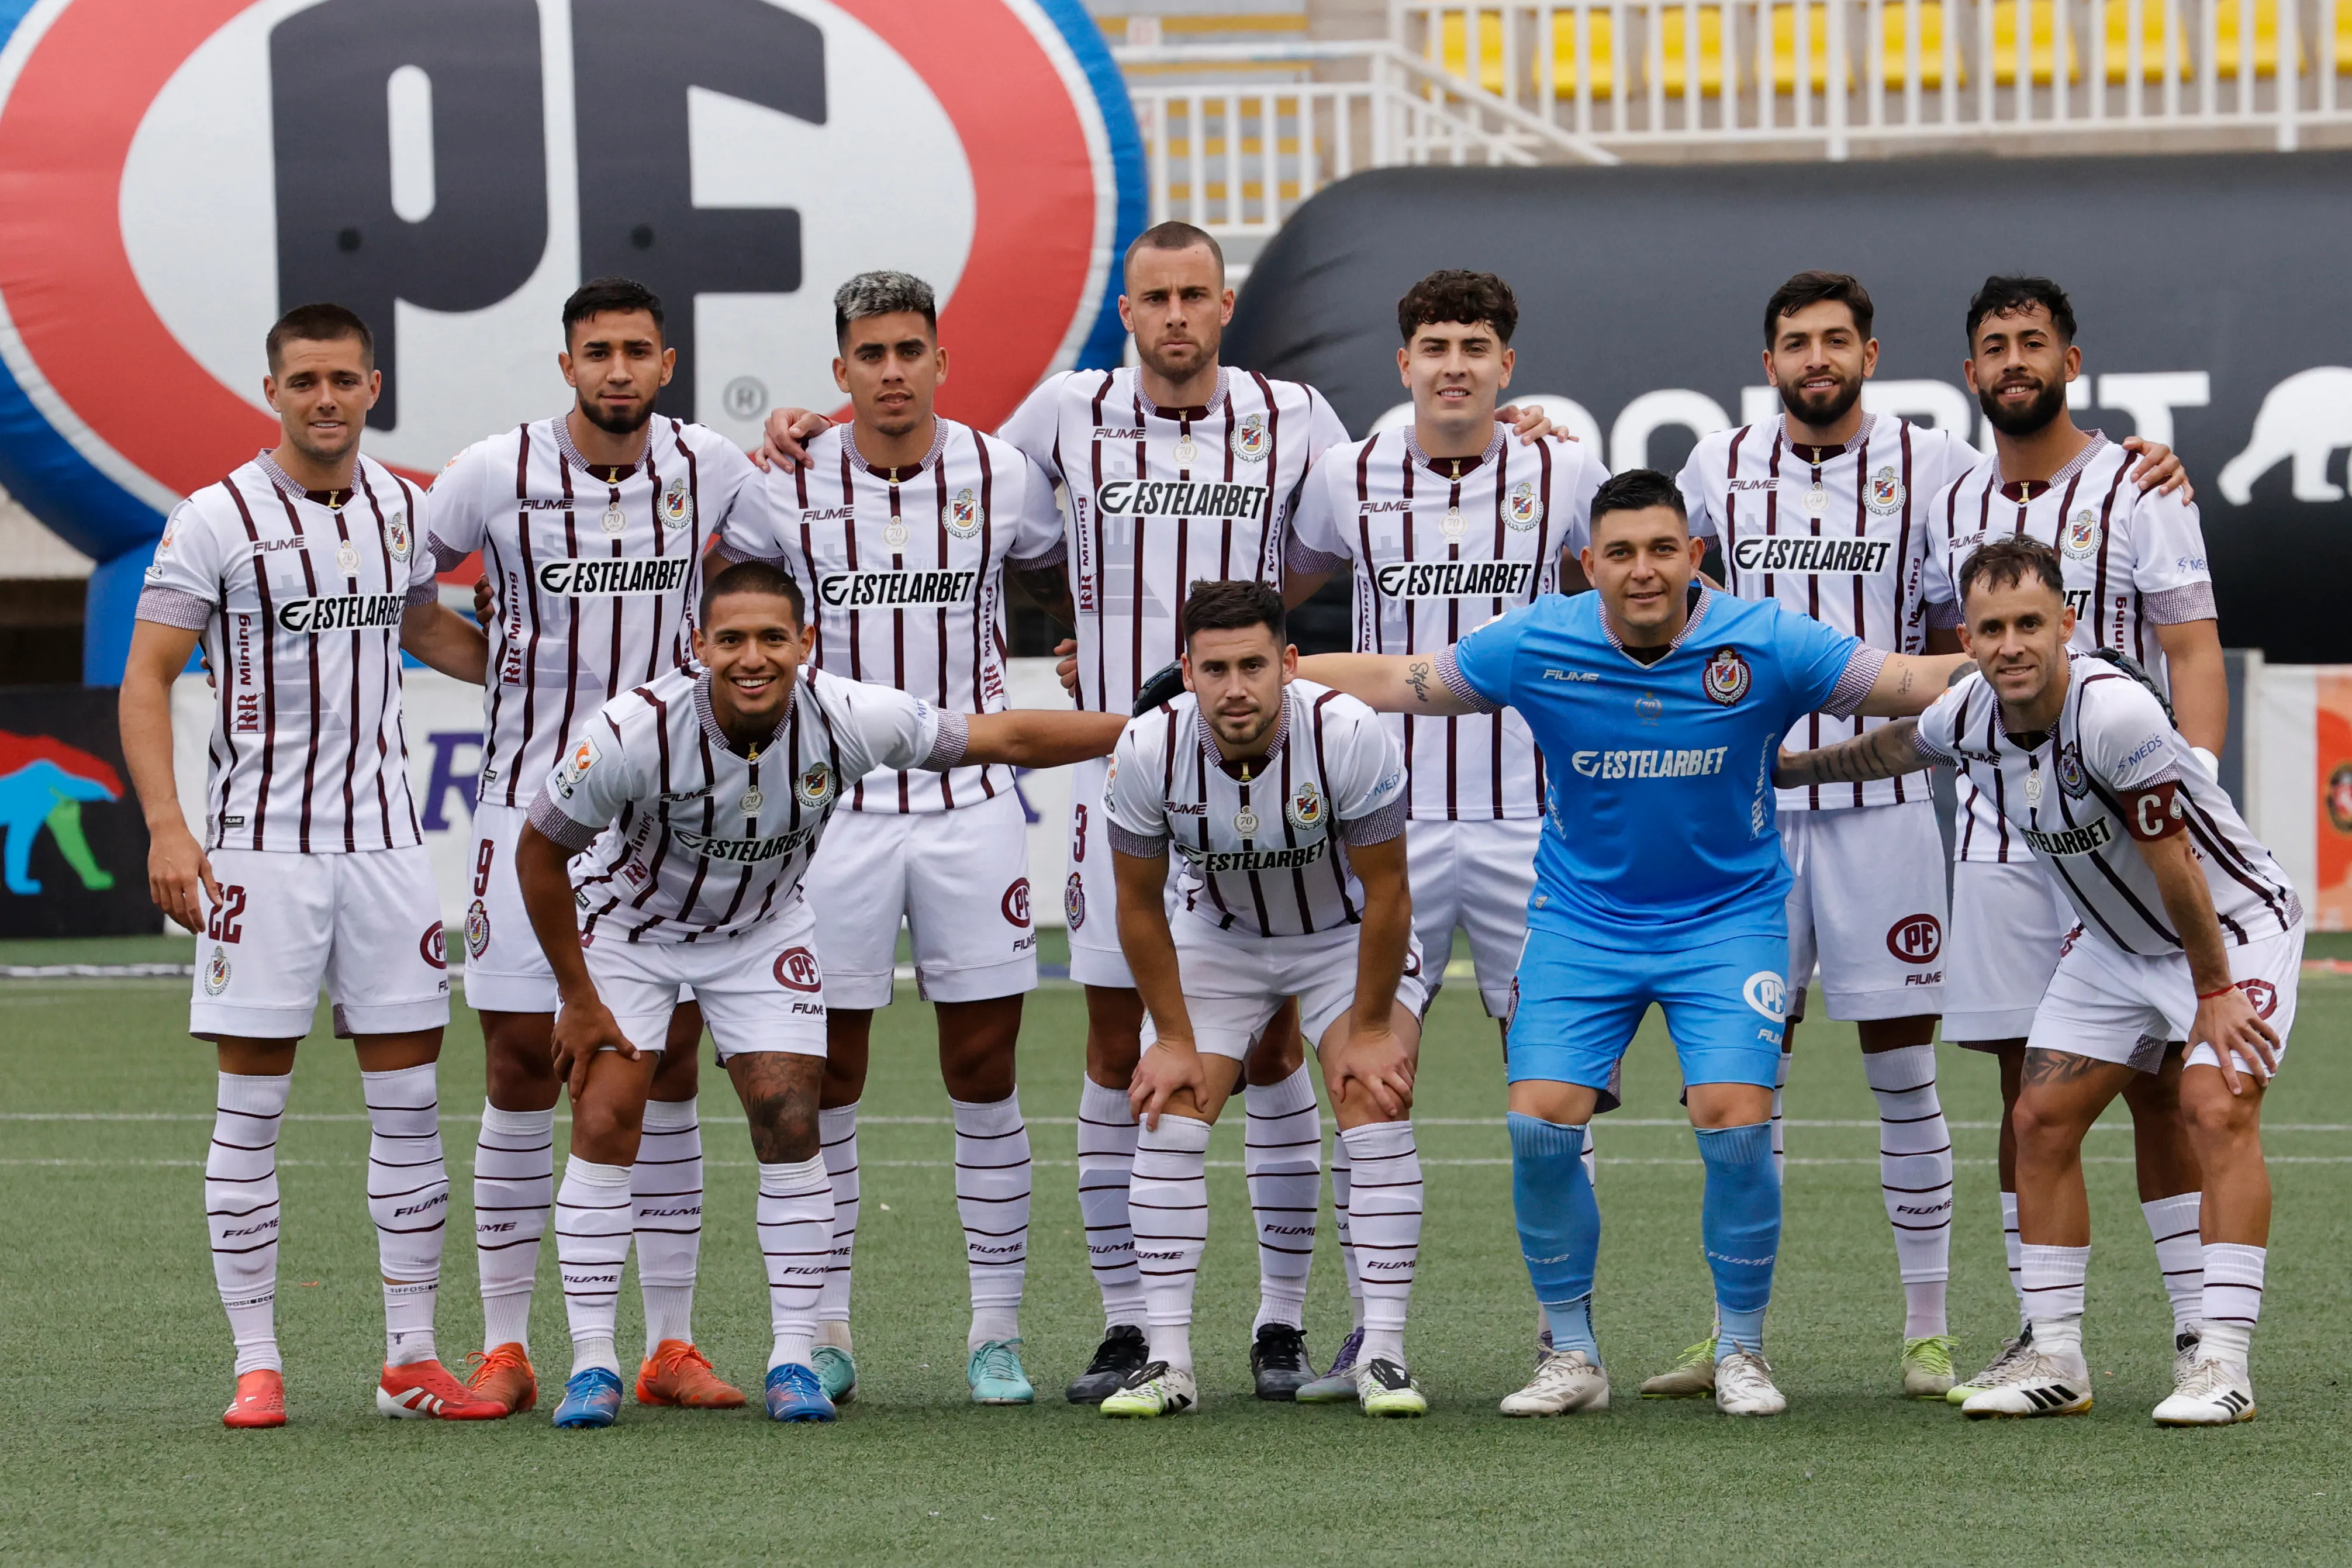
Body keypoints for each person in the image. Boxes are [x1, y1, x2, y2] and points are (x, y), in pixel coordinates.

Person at [759, 222, 1559, 1402]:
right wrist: (1092, 637)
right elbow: (1004, 533)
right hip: (1124, 780)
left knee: (1281, 1043)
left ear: (1223, 306)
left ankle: (1280, 1324)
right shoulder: (1058, 416)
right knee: (1115, 1045)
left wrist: (1520, 428)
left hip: (1267, 759)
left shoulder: (1295, 418)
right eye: (1154, 297)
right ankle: (1130, 1325)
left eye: (1194, 294)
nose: (1175, 314)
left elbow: (1332, 533)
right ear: (1125, 313)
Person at [1300, 469, 1967, 1418]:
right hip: (1583, 923)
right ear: (1589, 564)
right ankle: (1571, 1354)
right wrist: (1279, 670)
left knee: (1736, 1121)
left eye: (1662, 549)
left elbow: (1907, 678)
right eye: (1619, 553)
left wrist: (2036, 660)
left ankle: (1742, 1349)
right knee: (1538, 1124)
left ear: (1695, 556)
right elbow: (1398, 680)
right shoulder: (1538, 640)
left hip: (1727, 922)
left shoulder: (1768, 640)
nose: (1642, 570)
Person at [1663, 270, 2191, 1400]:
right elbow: (1627, 559)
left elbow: (1995, 591)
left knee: (1906, 1075)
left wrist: (2154, 458)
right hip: (1744, 821)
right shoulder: (1713, 463)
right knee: (1742, 1077)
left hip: (1887, 818)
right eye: (1795, 341)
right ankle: (1733, 1328)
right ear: (1769, 363)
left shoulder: (1938, 466)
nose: (1816, 357)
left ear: (1870, 353)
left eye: (1836, 339)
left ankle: (1932, 1333)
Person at [514, 559, 1125, 1427]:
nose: (751, 657)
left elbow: (1008, 740)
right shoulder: (631, 730)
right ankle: (592, 1364)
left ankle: (795, 1355)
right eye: (730, 640)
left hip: (763, 934)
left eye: (772, 637)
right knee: (609, 1116)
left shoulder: (851, 715)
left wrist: (1147, 726)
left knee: (791, 1118)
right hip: (631, 936)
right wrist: (577, 996)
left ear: (806, 642)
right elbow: (538, 852)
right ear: (699, 647)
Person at [1775, 536, 2299, 1425]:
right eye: (1989, 629)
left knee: (2214, 1107)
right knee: (2038, 1119)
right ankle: (2054, 1353)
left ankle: (2221, 1362)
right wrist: (1785, 769)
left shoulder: (2114, 714)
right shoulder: (1971, 711)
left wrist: (2212, 993)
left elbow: (2172, 860)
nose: (2009, 644)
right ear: (1968, 641)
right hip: (2111, 947)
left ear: (2065, 623)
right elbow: (1901, 744)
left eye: (2027, 623)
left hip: (2229, 932)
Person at [118, 302, 497, 1427]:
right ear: (271, 391)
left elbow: (425, 626)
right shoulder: (214, 519)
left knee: (413, 1104)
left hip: (386, 847)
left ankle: (410, 1359)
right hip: (259, 855)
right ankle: (256, 1361)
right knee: (251, 1108)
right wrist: (168, 826)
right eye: (304, 381)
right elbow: (147, 679)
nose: (325, 398)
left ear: (373, 387)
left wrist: (550, 680)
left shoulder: (403, 509)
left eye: (343, 379)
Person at [422, 276, 775, 1415]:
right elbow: (403, 589)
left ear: (665, 365)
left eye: (635, 351)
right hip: (526, 814)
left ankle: (668, 1346)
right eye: (596, 352)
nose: (616, 369)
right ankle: (506, 1344)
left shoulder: (710, 468)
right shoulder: (492, 472)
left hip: (668, 819)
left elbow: (784, 567)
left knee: (666, 1070)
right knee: (524, 1064)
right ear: (564, 364)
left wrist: (801, 431)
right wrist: (498, 671)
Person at [720, 271, 1069, 1405]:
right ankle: (824, 1331)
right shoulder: (784, 480)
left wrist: (1071, 657)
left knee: (984, 1070)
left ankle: (995, 1334)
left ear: (940, 362)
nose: (890, 372)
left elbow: (1079, 568)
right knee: (832, 1075)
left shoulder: (1000, 472)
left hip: (970, 807)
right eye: (868, 354)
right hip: (834, 813)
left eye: (909, 350)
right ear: (838, 372)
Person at [1284, 268, 1601, 1396]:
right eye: (1434, 345)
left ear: (1507, 366)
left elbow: (1636, 589)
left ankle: (1567, 1339)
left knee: (1551, 1091)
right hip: (1388, 831)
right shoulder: (1341, 478)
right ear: (1403, 364)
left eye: (1475, 345)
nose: (1454, 363)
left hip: (1537, 824)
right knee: (1368, 1075)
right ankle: (1376, 1340)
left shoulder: (1567, 468)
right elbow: (1275, 595)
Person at [1920, 275, 2226, 1405]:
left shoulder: (2137, 481)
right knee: (2026, 1091)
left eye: (2031, 342)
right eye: (1993, 345)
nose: (2013, 360)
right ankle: (2041, 1337)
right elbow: (1936, 654)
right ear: (1969, 373)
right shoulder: (1952, 496)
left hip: (2121, 837)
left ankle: (2199, 1333)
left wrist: (2188, 785)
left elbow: (2190, 646)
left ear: (2070, 360)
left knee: (2158, 1085)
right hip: (2002, 842)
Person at [1101, 579, 1427, 1417]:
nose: (1235, 686)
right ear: (1187, 670)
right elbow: (1137, 906)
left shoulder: (1348, 731)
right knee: (1167, 1104)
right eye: (1214, 668)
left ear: (1287, 663)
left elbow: (1388, 893)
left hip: (1345, 936)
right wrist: (1171, 1038)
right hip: (1220, 937)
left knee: (1371, 1095)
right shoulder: (1145, 747)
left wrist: (1364, 1028)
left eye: (1253, 664)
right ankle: (1167, 1361)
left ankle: (1382, 1351)